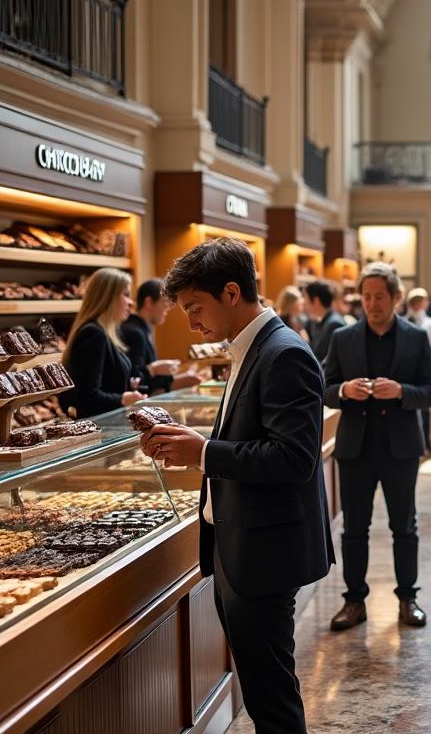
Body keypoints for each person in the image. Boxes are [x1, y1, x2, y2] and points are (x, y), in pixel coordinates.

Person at [139, 237, 332, 734]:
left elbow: (293, 459)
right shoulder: (251, 349)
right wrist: (193, 447)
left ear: (231, 293)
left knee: (272, 699)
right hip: (241, 544)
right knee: (264, 690)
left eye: (194, 308)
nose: (191, 323)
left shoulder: (284, 354)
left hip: (265, 553)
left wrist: (203, 452)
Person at [323, 263, 431, 632]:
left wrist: (402, 391)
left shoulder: (416, 337)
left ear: (396, 297)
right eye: (366, 297)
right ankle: (354, 601)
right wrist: (344, 390)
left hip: (400, 448)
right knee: (354, 529)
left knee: (404, 526)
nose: (372, 304)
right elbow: (324, 388)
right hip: (355, 448)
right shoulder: (343, 337)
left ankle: (408, 599)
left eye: (379, 297)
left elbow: (430, 392)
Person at [62, 267, 147, 418]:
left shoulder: (104, 332)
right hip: (100, 428)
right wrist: (123, 399)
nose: (131, 303)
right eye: (126, 295)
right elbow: (89, 397)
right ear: (108, 297)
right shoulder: (94, 334)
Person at [121, 278, 200, 395]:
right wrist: (175, 381)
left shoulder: (142, 329)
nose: (167, 309)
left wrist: (177, 375)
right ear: (149, 302)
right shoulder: (134, 332)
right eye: (165, 303)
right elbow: (135, 379)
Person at [403, 288, 431, 457]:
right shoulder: (403, 321)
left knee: (426, 409)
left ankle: (427, 443)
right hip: (407, 372)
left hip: (425, 370)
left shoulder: (430, 324)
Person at [304, 280, 346, 366]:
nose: (304, 304)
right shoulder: (316, 321)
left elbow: (319, 359)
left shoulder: (334, 324)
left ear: (316, 300)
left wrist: (305, 341)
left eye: (306, 299)